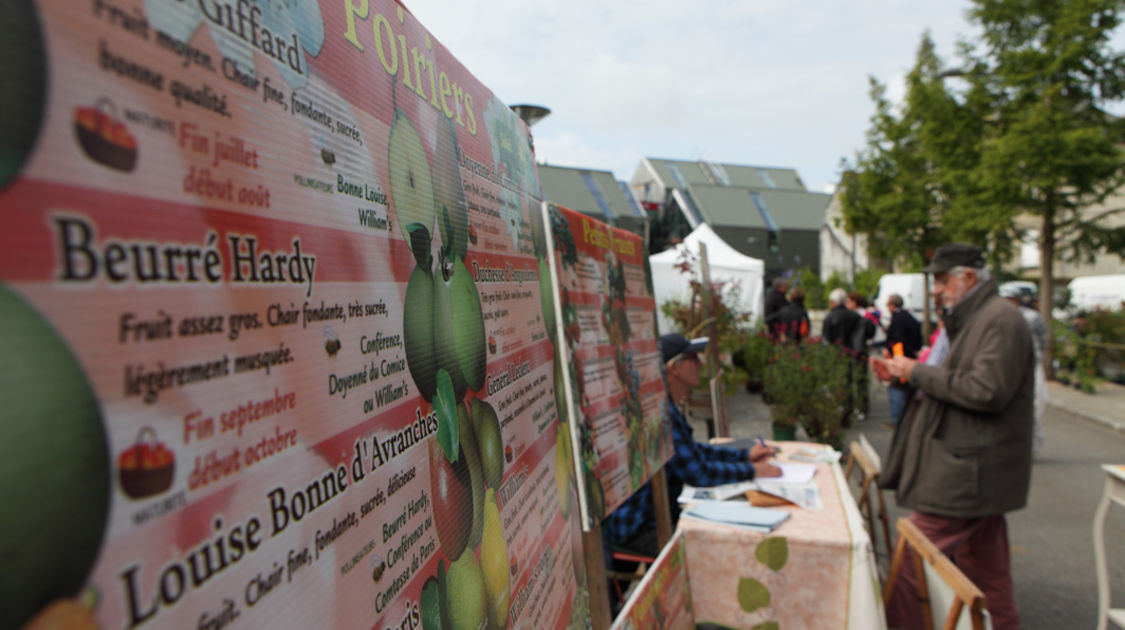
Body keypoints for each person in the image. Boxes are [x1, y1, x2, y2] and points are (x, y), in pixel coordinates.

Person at [879, 243, 1034, 630]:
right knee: (987, 572)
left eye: (942, 280)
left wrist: (915, 372)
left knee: (913, 560)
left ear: (967, 277)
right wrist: (906, 375)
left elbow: (985, 391)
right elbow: (965, 384)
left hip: (969, 470)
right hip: (972, 466)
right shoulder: (980, 317)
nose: (935, 289)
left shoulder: (997, 319)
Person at [604, 334, 781, 558]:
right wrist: (751, 470)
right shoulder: (661, 414)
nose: (700, 363)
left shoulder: (663, 405)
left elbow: (694, 452)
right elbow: (698, 472)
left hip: (653, 517)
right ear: (674, 368)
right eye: (693, 358)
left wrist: (744, 456)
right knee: (718, 548)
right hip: (640, 529)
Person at [1000, 284, 1049, 456]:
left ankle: (1032, 447)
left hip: (1031, 366)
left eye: (1011, 299)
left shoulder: (1032, 317)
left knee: (1036, 404)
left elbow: (1043, 341)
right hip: (1008, 367)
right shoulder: (998, 318)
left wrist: (1036, 358)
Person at [883, 293, 922, 426]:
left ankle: (897, 419)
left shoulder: (897, 319)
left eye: (888, 304)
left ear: (893, 305)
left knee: (897, 388)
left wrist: (893, 354)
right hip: (911, 356)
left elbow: (897, 339)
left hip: (900, 357)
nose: (887, 307)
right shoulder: (910, 317)